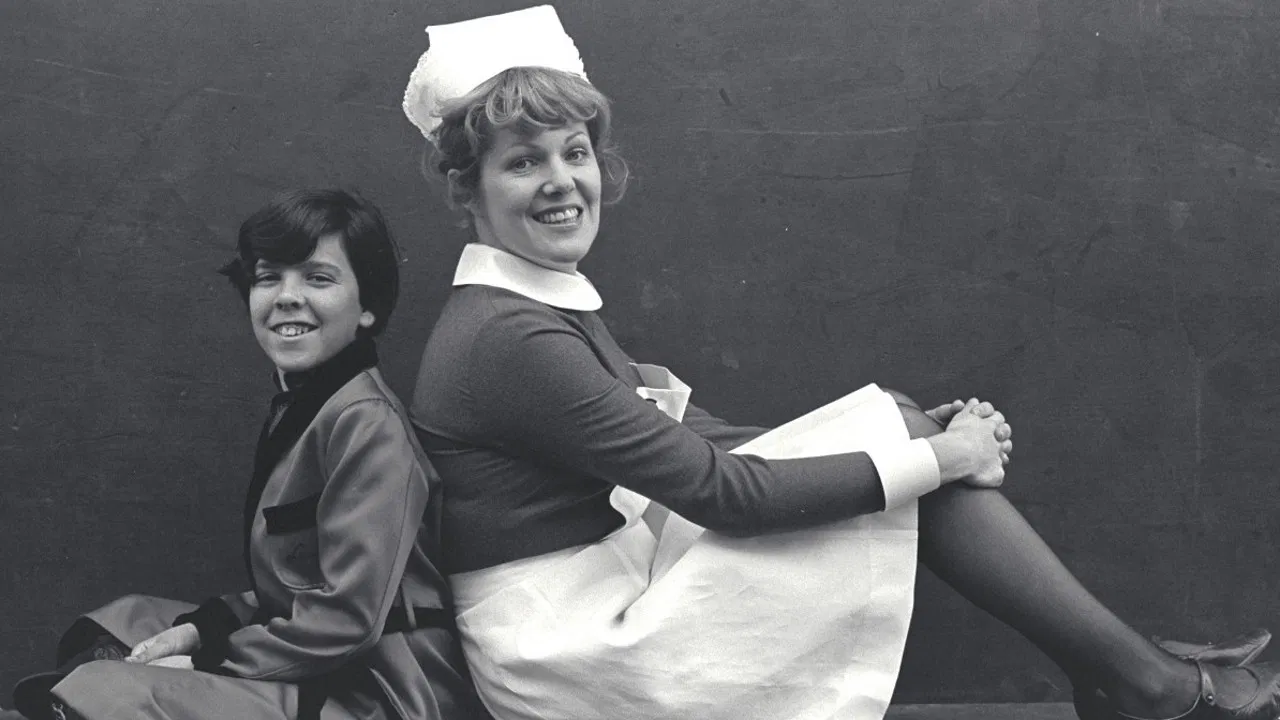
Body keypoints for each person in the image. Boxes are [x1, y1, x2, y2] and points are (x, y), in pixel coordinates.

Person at [402, 6, 1279, 720]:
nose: (561, 180)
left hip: (597, 597)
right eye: (523, 163)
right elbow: (721, 492)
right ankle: (1142, 686)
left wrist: (913, 439)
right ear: (467, 189)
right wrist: (938, 458)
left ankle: (1132, 681)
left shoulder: (532, 306)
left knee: (894, 424)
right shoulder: (510, 338)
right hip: (575, 654)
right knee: (902, 452)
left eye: (575, 152)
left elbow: (700, 439)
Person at [10, 190, 489, 720]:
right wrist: (202, 630)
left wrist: (208, 661)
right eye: (268, 278)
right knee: (120, 624)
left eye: (318, 278)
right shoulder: (308, 403)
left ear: (368, 307)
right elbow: (294, 586)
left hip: (383, 688)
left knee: (125, 690)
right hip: (322, 655)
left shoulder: (368, 423)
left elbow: (349, 618)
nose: (287, 297)